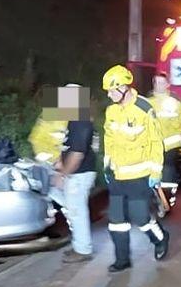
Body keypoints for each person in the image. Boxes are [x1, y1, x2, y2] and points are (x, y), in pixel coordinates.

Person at [101, 64, 169, 272]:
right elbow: (109, 138)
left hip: (140, 175)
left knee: (140, 217)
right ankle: (122, 260)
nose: (110, 95)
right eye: (108, 92)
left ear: (125, 87)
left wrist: (156, 172)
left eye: (113, 90)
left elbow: (156, 142)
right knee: (116, 220)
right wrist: (107, 165)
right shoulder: (111, 110)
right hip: (117, 175)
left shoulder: (144, 108)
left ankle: (160, 238)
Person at [49, 84, 98, 264]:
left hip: (79, 173)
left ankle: (83, 249)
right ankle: (80, 245)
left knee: (77, 211)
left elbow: (77, 154)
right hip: (76, 172)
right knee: (73, 208)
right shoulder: (75, 119)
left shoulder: (80, 121)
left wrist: (63, 174)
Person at [149, 71, 181, 208]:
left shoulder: (174, 102)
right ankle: (159, 196)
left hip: (172, 144)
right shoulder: (148, 102)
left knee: (168, 170)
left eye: (162, 83)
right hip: (154, 144)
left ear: (167, 84)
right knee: (157, 170)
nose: (159, 86)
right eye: (157, 83)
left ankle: (167, 198)